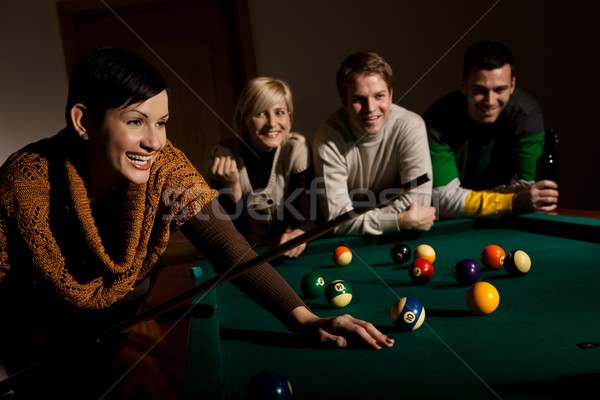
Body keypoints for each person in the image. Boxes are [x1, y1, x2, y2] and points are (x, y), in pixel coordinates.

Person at [0, 47, 393, 399]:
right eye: (137, 121)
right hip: (41, 348)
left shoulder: (165, 166)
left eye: (162, 122)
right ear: (84, 121)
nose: (155, 141)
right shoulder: (25, 181)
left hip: (131, 326)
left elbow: (229, 248)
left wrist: (305, 319)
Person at [424, 39, 559, 219]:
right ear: (463, 85)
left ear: (512, 85)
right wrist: (513, 201)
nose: (490, 101)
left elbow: (531, 191)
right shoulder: (437, 118)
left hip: (510, 222)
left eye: (499, 89)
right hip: (454, 224)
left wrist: (467, 199)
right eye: (480, 90)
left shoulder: (527, 115)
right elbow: (444, 200)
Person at [312, 51, 435, 236]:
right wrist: (397, 220)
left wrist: (362, 220)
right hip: (352, 244)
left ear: (391, 95)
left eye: (379, 96)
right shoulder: (327, 138)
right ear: (344, 102)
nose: (370, 108)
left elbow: (418, 204)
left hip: (402, 236)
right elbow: (338, 220)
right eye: (359, 99)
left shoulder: (411, 126)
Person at [207, 77, 315, 258]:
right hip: (244, 258)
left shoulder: (296, 148)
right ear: (243, 121)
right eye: (260, 114)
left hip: (288, 255)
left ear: (290, 116)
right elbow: (235, 238)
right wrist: (233, 190)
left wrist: (300, 233)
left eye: (279, 112)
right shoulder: (222, 156)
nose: (272, 123)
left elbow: (306, 218)